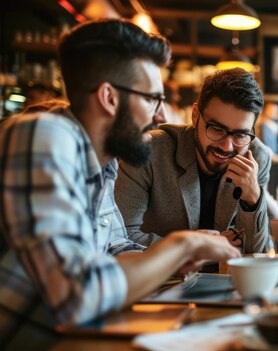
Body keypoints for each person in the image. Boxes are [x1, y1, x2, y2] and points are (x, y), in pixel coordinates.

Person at [0, 19, 241, 350]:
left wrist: (179, 256)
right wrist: (179, 246)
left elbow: (115, 250)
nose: (160, 116)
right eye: (152, 99)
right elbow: (75, 295)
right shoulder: (44, 134)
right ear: (109, 97)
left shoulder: (103, 161)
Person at [115, 68, 271, 253]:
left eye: (240, 134)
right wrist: (194, 247)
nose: (227, 147)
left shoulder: (257, 157)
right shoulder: (149, 150)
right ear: (195, 114)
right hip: (163, 279)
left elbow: (255, 249)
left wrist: (252, 198)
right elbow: (120, 236)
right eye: (216, 129)